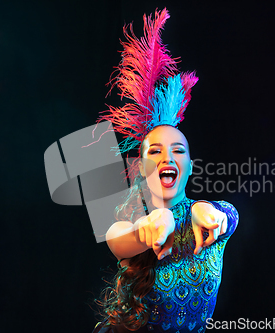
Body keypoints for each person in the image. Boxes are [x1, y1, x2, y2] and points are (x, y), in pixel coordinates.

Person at [92, 8, 239, 332]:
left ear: (189, 167)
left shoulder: (210, 219)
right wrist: (147, 227)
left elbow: (227, 215)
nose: (166, 157)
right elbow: (118, 240)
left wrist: (207, 211)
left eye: (178, 150)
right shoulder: (128, 219)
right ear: (141, 167)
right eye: (154, 151)